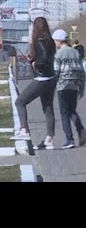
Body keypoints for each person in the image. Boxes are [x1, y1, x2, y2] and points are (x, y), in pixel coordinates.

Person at [10, 17, 57, 150]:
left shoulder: (39, 41)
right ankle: (49, 139)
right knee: (48, 108)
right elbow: (47, 57)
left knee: (20, 102)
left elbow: (43, 59)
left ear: (36, 28)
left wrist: (36, 64)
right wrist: (31, 59)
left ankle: (24, 130)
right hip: (51, 78)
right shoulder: (50, 41)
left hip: (41, 79)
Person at [52, 29, 86, 149]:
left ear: (58, 40)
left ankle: (69, 139)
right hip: (74, 85)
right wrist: (82, 87)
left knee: (64, 113)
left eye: (55, 41)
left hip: (63, 86)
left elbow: (56, 71)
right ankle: (81, 130)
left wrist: (51, 86)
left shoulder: (59, 54)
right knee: (72, 110)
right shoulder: (75, 52)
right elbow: (82, 72)